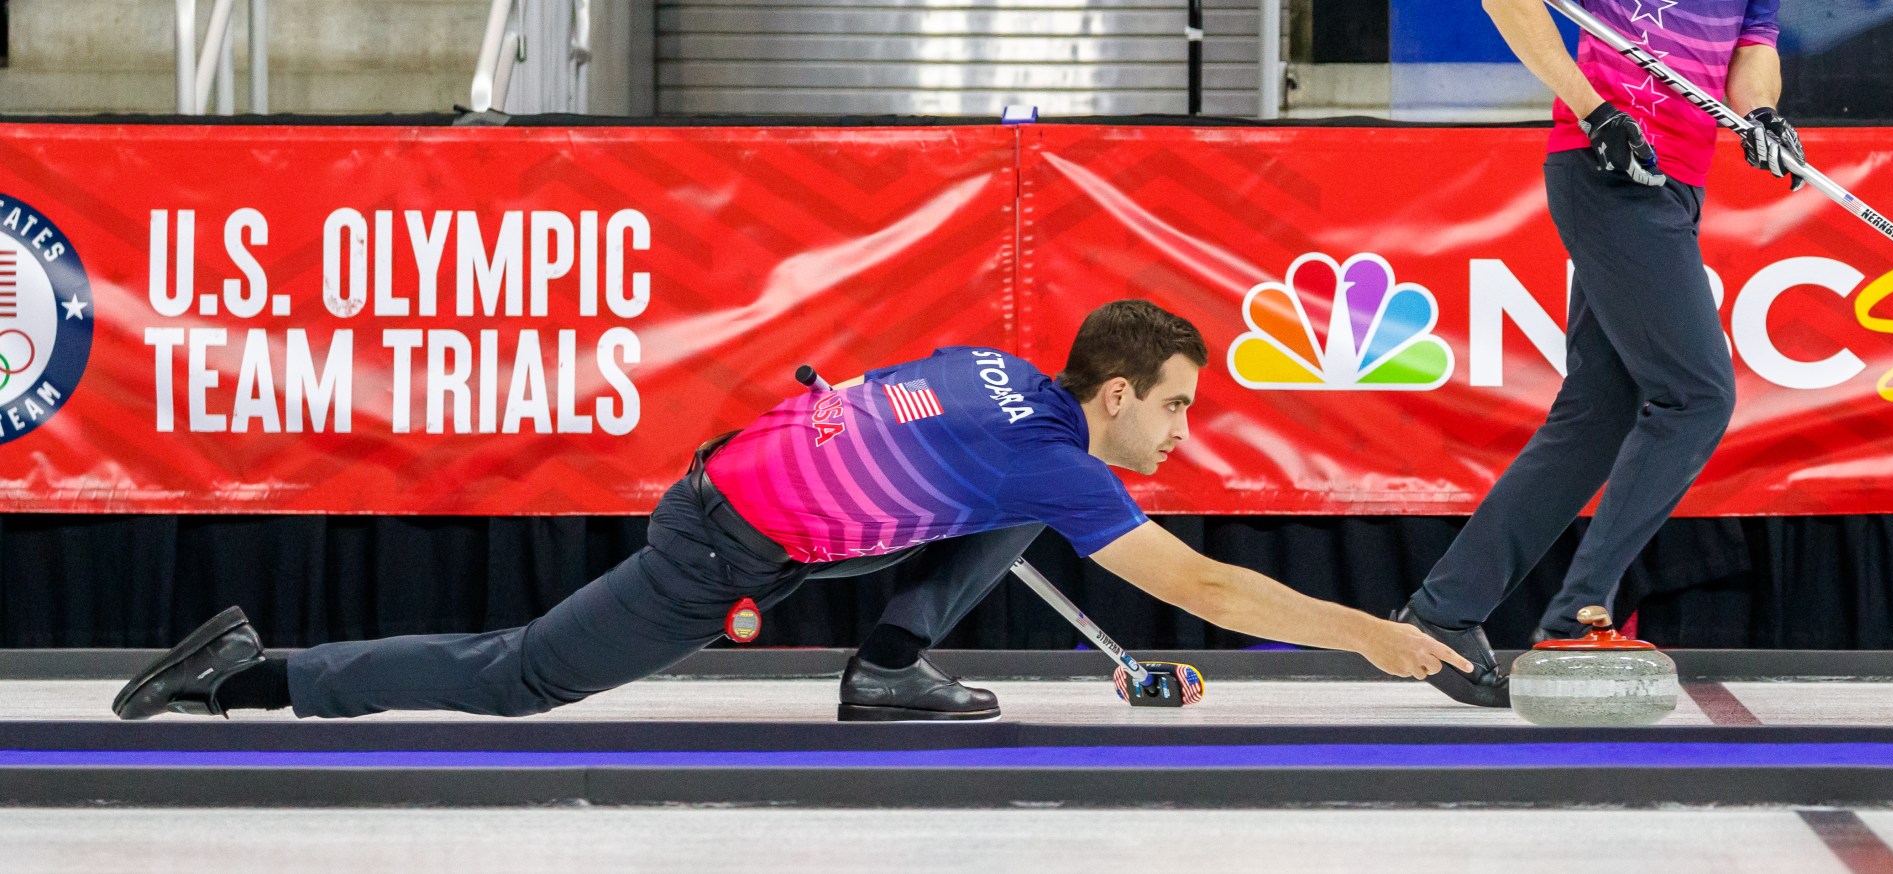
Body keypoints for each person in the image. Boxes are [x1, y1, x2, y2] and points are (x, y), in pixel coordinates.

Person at [114, 300, 1468, 723]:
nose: (1186, 428)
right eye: (1175, 403)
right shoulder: (1061, 457)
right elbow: (1211, 592)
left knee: (1015, 512)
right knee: (523, 674)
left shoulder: (1013, 382)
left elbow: (906, 418)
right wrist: (1370, 637)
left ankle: (883, 673)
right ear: (1111, 393)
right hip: (719, 542)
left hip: (766, 490)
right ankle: (251, 675)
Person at [1396, 0, 1801, 707]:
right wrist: (1591, 109)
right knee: (1697, 395)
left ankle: (1443, 614)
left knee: (1597, 414)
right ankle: (1577, 616)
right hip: (1607, 165)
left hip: (1676, 178)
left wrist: (1761, 115)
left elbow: (1751, 46)